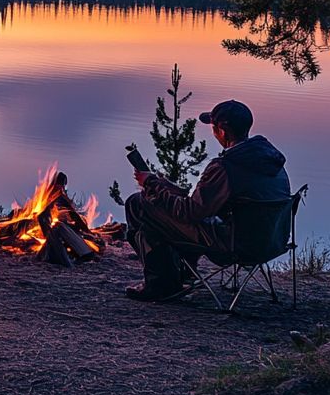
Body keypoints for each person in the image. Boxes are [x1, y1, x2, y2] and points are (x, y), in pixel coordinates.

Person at [124, 99, 290, 301]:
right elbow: (209, 203)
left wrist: (151, 185)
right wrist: (164, 186)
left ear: (222, 131)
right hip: (270, 241)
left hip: (233, 244)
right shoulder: (271, 160)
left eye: (213, 127)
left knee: (139, 204)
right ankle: (182, 274)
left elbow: (190, 213)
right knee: (162, 207)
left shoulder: (226, 166)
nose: (212, 132)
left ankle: (162, 284)